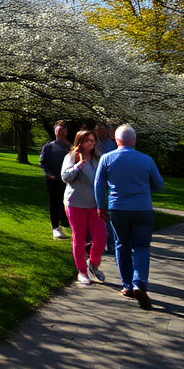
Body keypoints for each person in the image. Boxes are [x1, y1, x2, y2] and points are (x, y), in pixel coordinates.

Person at [94, 124, 164, 309]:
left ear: (117, 140)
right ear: (135, 140)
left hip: (118, 208)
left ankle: (127, 286)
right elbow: (159, 185)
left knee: (122, 244)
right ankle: (139, 282)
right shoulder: (146, 160)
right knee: (141, 246)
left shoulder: (107, 158)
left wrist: (101, 206)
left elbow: (99, 185)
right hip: (142, 208)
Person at [61, 129, 108, 286]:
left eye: (93, 140)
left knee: (101, 238)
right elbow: (65, 177)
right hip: (76, 203)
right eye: (88, 140)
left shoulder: (97, 158)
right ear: (80, 141)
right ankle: (82, 272)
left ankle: (93, 264)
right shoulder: (72, 156)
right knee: (79, 239)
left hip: (94, 205)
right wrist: (78, 166)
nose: (91, 143)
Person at [40, 121, 72, 239]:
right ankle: (55, 228)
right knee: (54, 203)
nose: (62, 131)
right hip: (53, 180)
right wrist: (48, 174)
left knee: (67, 203)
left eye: (64, 129)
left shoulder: (71, 147)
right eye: (59, 129)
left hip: (68, 181)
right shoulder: (48, 147)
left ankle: (67, 225)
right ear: (55, 132)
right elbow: (43, 163)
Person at [93, 122, 117, 255]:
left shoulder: (110, 145)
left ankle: (111, 243)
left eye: (102, 130)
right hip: (93, 179)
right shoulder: (94, 142)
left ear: (106, 131)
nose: (99, 132)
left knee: (106, 214)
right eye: (98, 130)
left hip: (106, 182)